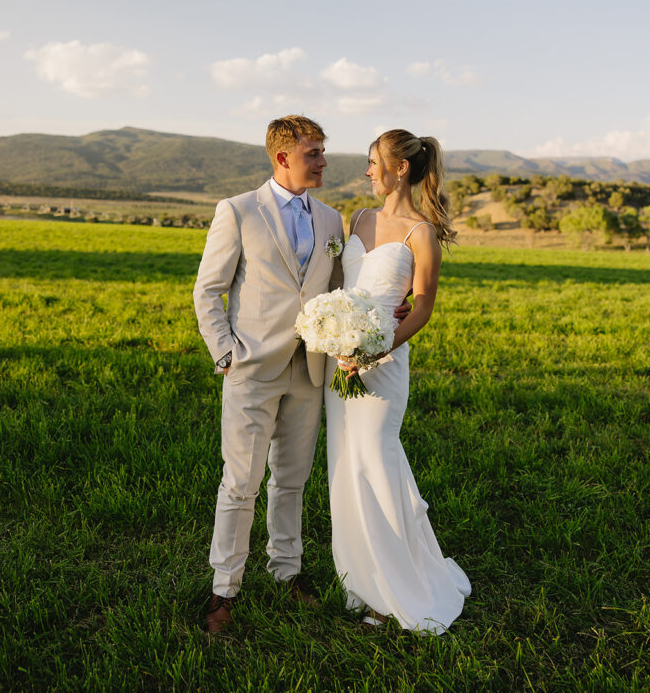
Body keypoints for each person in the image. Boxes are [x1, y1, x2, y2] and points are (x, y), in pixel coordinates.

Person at [193, 115, 344, 633]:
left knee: (293, 480)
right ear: (283, 157)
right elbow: (207, 290)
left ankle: (287, 571)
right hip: (252, 368)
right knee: (240, 483)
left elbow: (337, 290)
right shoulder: (237, 211)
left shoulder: (331, 220)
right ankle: (223, 589)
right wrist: (225, 353)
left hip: (310, 368)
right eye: (314, 153)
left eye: (323, 152)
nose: (323, 161)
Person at [325, 129, 471, 634]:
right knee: (346, 465)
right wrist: (337, 337)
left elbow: (424, 305)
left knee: (377, 464)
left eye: (372, 162)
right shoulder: (358, 219)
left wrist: (376, 346)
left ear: (399, 168)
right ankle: (361, 577)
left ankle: (396, 591)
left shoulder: (420, 232)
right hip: (339, 364)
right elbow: (344, 287)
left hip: (383, 367)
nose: (367, 172)